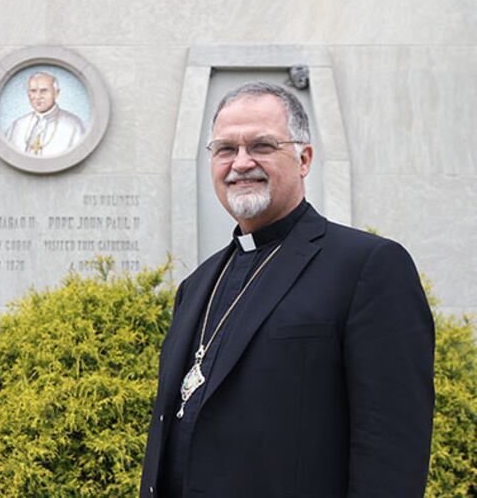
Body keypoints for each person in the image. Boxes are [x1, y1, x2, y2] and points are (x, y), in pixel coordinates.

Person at [140, 82, 435, 497]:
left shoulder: (367, 266)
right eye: (225, 149)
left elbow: (391, 449)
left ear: (304, 158)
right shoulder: (197, 284)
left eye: (261, 145)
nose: (241, 163)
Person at [5, 71, 86, 157]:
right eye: (33, 91)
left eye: (43, 91)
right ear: (28, 94)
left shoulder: (73, 125)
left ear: (56, 93)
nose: (38, 97)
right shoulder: (17, 124)